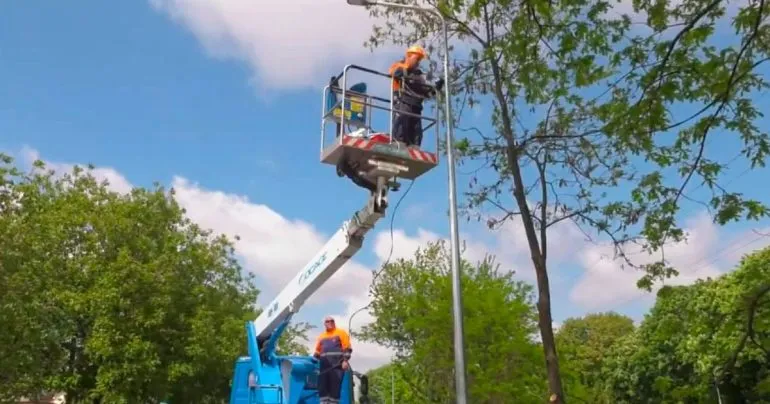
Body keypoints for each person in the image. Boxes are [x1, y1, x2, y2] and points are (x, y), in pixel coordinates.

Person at [388, 45, 445, 148]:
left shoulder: (418, 77)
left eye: (419, 60)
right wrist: (409, 69)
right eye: (416, 59)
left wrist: (436, 88)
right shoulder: (399, 66)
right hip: (402, 102)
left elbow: (426, 93)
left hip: (416, 106)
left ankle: (414, 147)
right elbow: (395, 73)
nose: (418, 62)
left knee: (416, 132)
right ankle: (398, 144)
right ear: (409, 57)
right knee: (401, 126)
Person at [313, 316, 353, 404]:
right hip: (324, 368)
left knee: (335, 387)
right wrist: (313, 361)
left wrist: (345, 361)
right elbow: (317, 351)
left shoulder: (341, 333)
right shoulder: (321, 336)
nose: (330, 322)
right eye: (327, 321)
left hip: (337, 367)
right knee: (323, 387)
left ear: (334, 322)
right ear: (324, 324)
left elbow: (347, 348)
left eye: (332, 321)